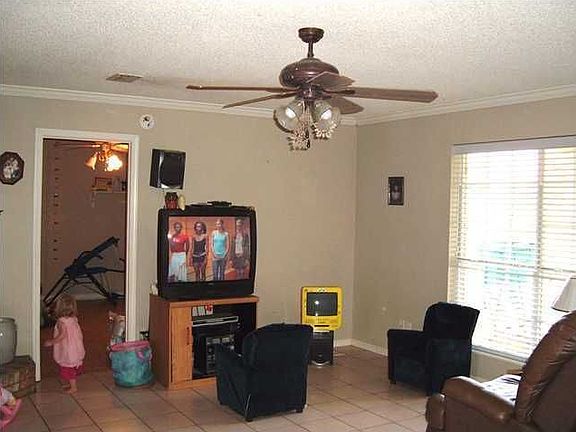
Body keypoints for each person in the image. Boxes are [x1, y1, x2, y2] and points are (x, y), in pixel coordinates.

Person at [44, 294, 85, 394]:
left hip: (67, 348)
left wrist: (51, 342)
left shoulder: (61, 322)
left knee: (68, 367)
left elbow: (62, 335)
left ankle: (73, 387)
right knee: (72, 365)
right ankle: (71, 384)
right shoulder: (74, 319)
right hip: (75, 346)